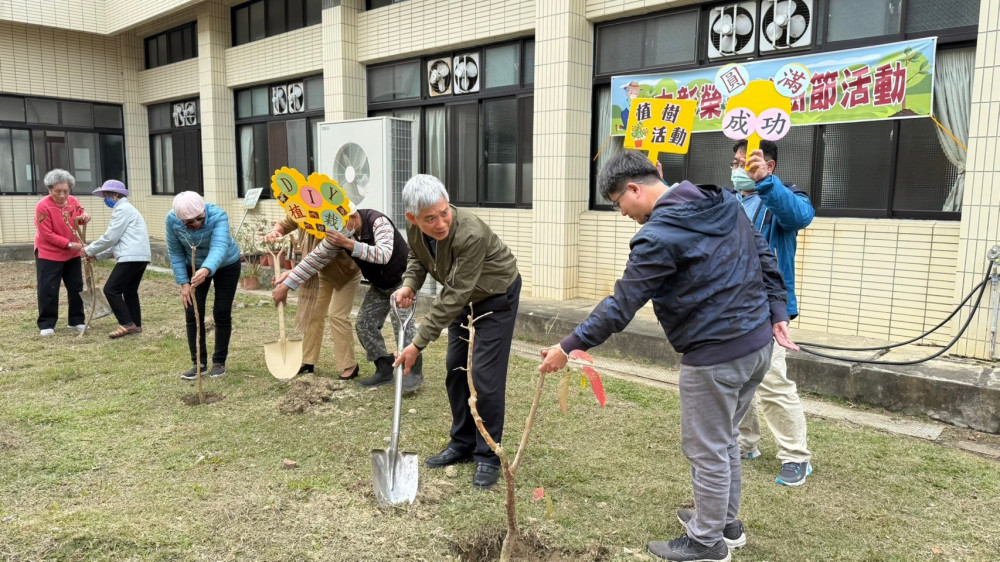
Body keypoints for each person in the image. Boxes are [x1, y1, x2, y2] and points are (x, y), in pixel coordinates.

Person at [538, 151, 797, 562]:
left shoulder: (658, 235)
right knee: (724, 438)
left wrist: (567, 346)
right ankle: (724, 524)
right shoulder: (723, 201)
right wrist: (778, 312)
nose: (622, 213)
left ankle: (706, 542)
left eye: (617, 203)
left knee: (706, 447)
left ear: (635, 189)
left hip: (714, 355)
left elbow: (621, 306)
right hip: (757, 344)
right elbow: (765, 256)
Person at [393, 175, 521, 491]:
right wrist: (410, 282)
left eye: (444, 212)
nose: (439, 223)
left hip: (494, 296)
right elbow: (417, 257)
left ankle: (489, 456)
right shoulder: (414, 227)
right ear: (413, 218)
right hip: (461, 295)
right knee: (455, 368)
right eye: (430, 219)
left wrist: (417, 343)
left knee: (484, 378)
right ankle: (462, 443)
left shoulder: (471, 234)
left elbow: (454, 295)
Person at [731, 139, 815, 486]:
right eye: (735, 163)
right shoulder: (729, 201)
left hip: (769, 308)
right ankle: (745, 443)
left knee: (773, 381)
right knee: (737, 381)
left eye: (747, 162)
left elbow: (800, 217)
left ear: (770, 165)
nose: (739, 169)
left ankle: (796, 457)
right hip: (731, 305)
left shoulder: (785, 198)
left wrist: (765, 182)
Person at [271, 208, 423, 391]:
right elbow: (315, 259)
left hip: (403, 281)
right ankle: (384, 367)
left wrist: (349, 244)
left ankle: (413, 371)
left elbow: (384, 254)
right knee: (364, 323)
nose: (337, 230)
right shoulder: (341, 234)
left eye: (341, 224)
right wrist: (287, 283)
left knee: (402, 325)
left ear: (352, 217)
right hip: (379, 285)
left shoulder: (377, 222)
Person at [265, 214, 362, 381]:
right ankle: (308, 360)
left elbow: (319, 256)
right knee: (313, 313)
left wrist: (288, 283)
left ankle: (349, 365)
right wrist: (275, 232)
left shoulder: (330, 213)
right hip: (321, 271)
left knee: (337, 315)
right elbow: (285, 223)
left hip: (346, 271)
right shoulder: (301, 209)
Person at [166, 191, 241, 380]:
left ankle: (219, 362)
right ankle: (199, 362)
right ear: (180, 219)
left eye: (199, 219)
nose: (196, 224)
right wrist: (183, 283)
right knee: (193, 311)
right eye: (190, 222)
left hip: (226, 264)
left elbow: (219, 246)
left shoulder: (218, 216)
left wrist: (207, 269)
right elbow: (174, 252)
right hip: (193, 265)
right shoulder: (171, 220)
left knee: (222, 311)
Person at [82, 180, 151, 339]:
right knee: (130, 290)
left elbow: (110, 238)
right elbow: (118, 241)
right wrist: (97, 255)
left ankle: (127, 323)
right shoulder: (129, 209)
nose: (105, 199)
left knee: (111, 289)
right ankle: (136, 324)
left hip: (130, 257)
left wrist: (88, 249)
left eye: (106, 196)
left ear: (115, 195)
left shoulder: (122, 210)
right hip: (140, 256)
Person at [34, 169, 92, 336]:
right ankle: (47, 323)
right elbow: (46, 234)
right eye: (57, 191)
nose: (61, 195)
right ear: (49, 189)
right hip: (49, 253)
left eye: (65, 191)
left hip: (72, 253)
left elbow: (79, 216)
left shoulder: (73, 201)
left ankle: (76, 320)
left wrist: (85, 216)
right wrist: (68, 244)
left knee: (76, 286)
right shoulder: (43, 206)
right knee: (48, 288)